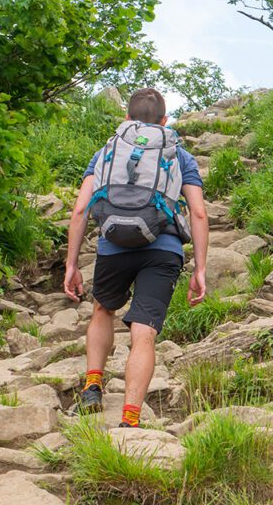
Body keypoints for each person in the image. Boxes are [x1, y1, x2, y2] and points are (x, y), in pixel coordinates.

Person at [62, 87, 208, 428]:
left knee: (102, 309)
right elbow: (198, 213)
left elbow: (81, 208)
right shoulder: (178, 155)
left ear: (126, 119)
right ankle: (130, 420)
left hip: (114, 245)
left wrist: (71, 265)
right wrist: (200, 268)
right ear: (165, 121)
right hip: (163, 248)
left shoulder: (107, 152)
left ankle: (93, 386)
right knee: (144, 332)